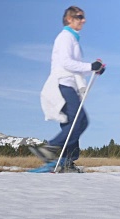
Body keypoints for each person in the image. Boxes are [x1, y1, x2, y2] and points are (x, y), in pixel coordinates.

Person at [31, 5, 105, 172]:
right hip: (62, 84)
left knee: (73, 123)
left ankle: (67, 161)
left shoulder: (73, 38)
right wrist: (90, 66)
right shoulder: (65, 37)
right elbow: (66, 63)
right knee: (80, 121)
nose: (83, 20)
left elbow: (75, 67)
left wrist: (95, 69)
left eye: (83, 17)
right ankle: (49, 149)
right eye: (79, 17)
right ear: (69, 19)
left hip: (69, 83)